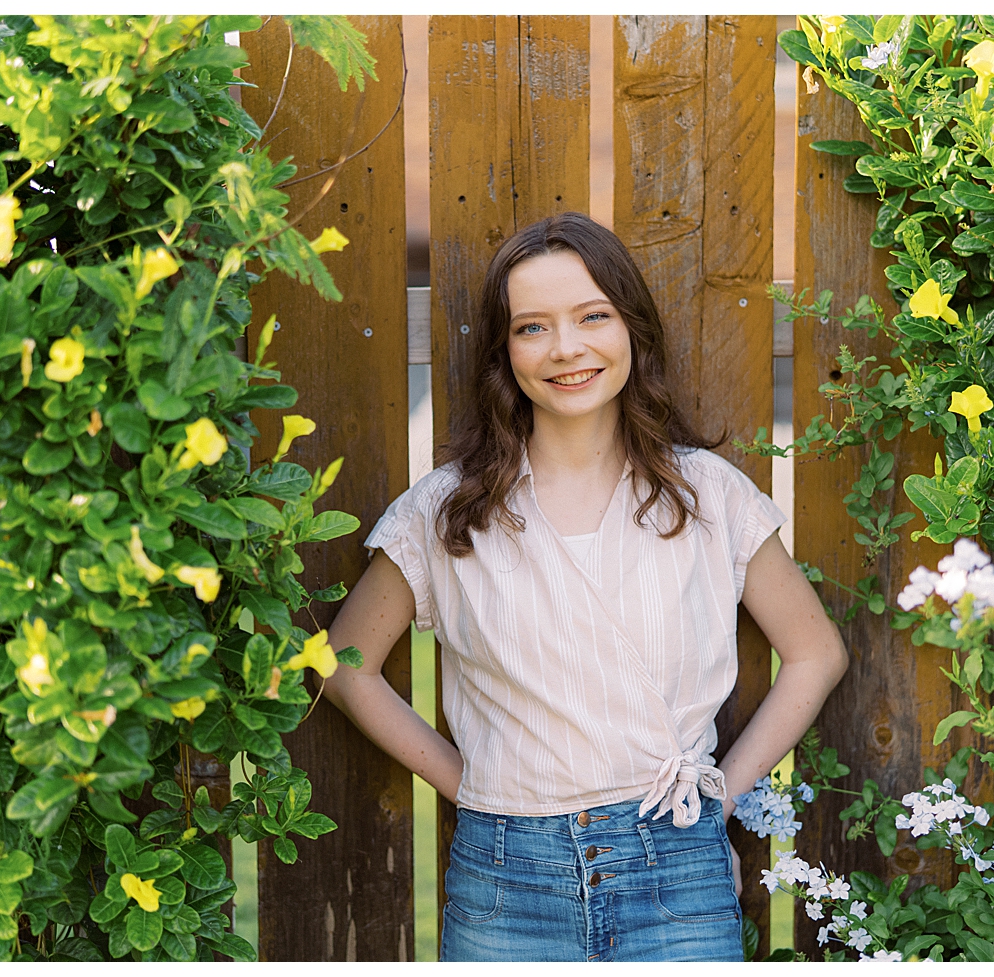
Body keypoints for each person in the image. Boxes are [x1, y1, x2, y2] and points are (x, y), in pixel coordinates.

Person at [321, 212, 848, 962]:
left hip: (676, 870)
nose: (566, 348)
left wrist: (714, 803)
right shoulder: (446, 511)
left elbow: (815, 653)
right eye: (533, 327)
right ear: (505, 350)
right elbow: (345, 666)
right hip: (505, 880)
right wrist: (470, 782)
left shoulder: (707, 494)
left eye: (592, 316)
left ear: (632, 326)